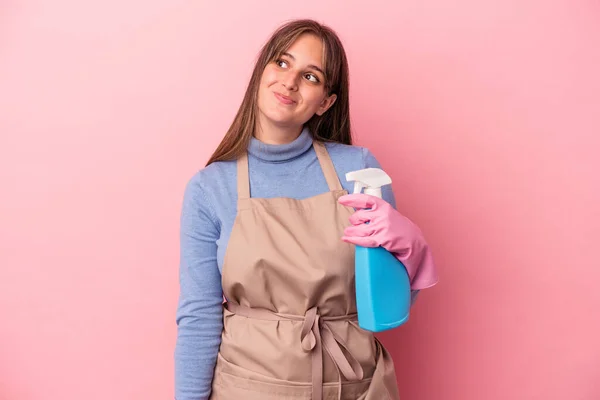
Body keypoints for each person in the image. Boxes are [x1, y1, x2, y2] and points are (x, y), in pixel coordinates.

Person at [174, 18, 438, 400]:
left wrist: (410, 252)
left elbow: (383, 310)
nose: (290, 82)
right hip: (248, 388)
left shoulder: (357, 169)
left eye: (311, 76)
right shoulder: (209, 188)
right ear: (261, 71)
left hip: (352, 387)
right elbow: (198, 318)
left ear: (326, 103)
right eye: (282, 63)